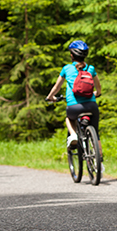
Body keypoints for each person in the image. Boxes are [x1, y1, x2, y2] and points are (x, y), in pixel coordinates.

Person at [46, 40, 103, 168]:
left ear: (71, 55)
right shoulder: (91, 68)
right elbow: (99, 89)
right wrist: (97, 93)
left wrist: (50, 97)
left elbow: (56, 87)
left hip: (73, 106)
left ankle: (73, 135)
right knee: (96, 132)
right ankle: (99, 157)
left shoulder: (67, 68)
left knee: (69, 118)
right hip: (91, 106)